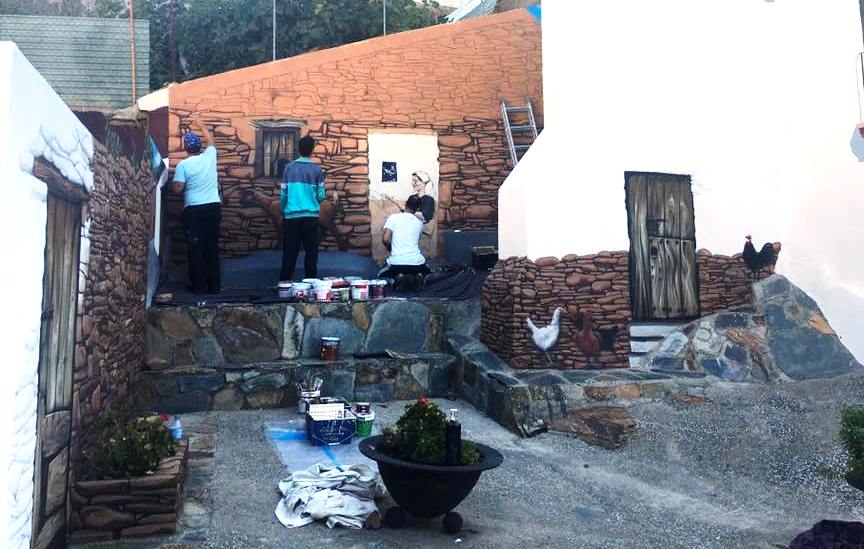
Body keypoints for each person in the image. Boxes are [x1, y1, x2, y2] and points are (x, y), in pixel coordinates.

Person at [172, 120, 221, 294]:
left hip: (193, 210)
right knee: (211, 246)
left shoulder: (183, 165)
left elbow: (178, 188)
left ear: (186, 148)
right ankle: (214, 287)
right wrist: (200, 125)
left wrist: (174, 184)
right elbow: (211, 140)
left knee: (196, 247)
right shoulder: (210, 157)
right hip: (213, 208)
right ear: (200, 147)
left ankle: (198, 287)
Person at [280, 135, 326, 280]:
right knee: (311, 254)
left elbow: (283, 193)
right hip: (310, 218)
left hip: (291, 218)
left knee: (289, 254)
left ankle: (284, 286)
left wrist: (283, 210)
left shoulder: (289, 168)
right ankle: (311, 285)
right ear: (312, 150)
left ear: (298, 150)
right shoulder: (316, 169)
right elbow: (321, 195)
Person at [379, 195, 431, 280]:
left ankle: (398, 279)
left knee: (380, 277)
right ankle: (418, 277)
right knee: (428, 275)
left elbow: (385, 239)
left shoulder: (393, 217)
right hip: (417, 263)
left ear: (406, 204)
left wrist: (390, 248)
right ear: (418, 208)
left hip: (397, 263)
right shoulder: (420, 223)